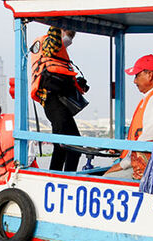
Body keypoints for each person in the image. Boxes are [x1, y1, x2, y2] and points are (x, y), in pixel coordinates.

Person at [104, 55, 153, 179]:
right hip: (151, 161)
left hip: (151, 167)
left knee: (104, 180)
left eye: (137, 75)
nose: (135, 81)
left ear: (150, 75)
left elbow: (148, 140)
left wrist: (122, 164)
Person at [30, 26, 89, 172]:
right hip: (53, 102)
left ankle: (53, 175)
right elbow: (53, 45)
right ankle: (69, 178)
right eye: (68, 36)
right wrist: (56, 22)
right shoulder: (49, 43)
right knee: (75, 146)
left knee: (60, 146)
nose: (69, 41)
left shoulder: (57, 51)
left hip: (55, 102)